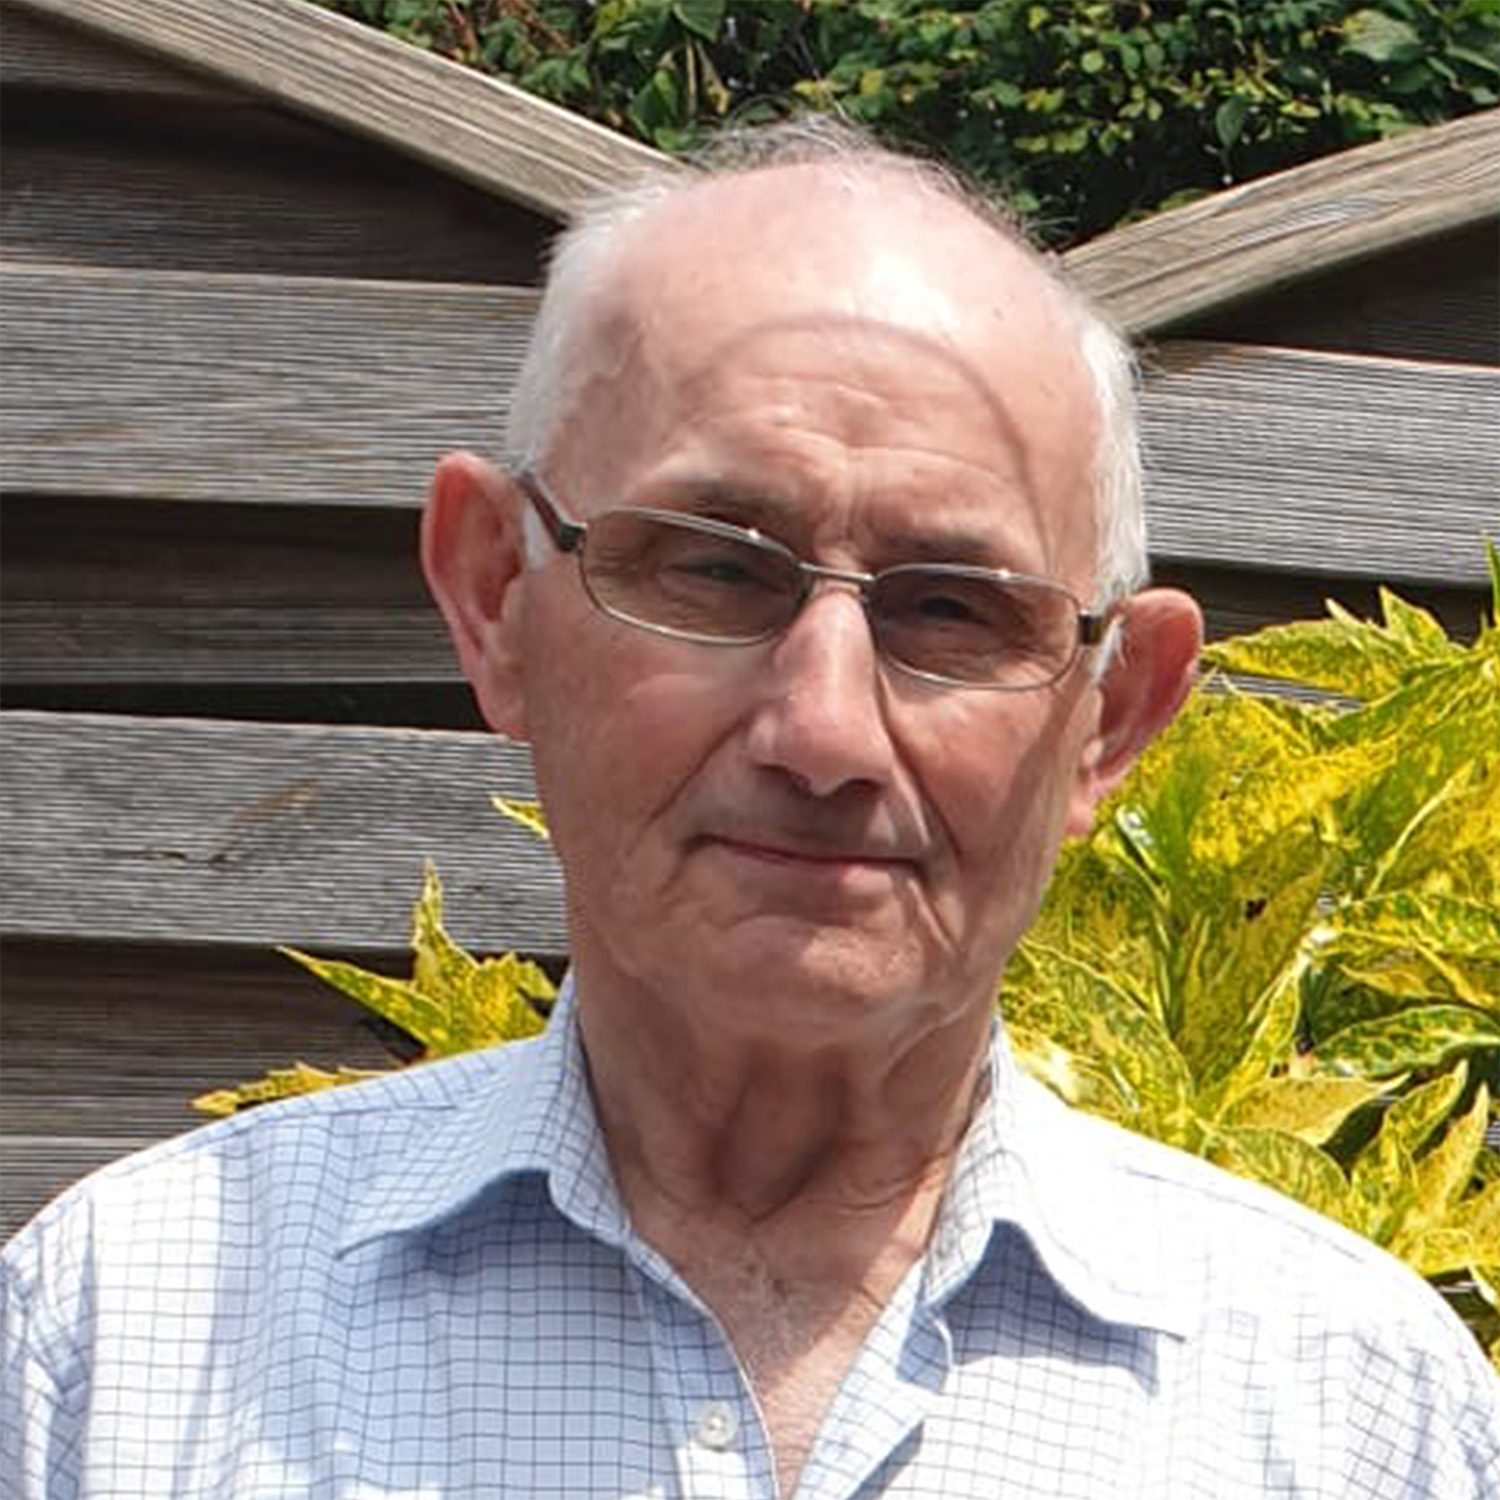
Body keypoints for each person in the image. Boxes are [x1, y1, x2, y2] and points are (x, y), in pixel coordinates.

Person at [3, 122, 1496, 1500]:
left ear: (1109, 715)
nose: (824, 732)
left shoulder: (1358, 1417)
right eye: (715, 569)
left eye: (953, 609)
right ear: (496, 598)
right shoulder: (120, 1343)